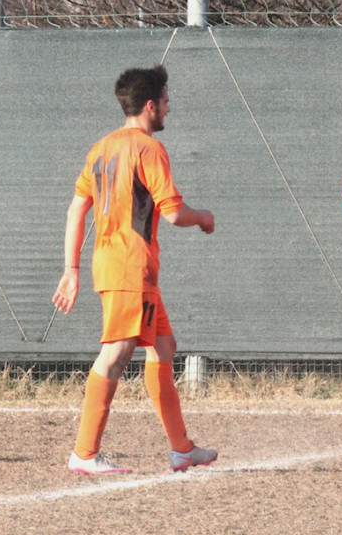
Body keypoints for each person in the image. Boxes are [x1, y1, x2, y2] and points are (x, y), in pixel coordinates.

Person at [52, 65, 218, 475]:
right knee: (116, 354)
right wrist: (204, 217)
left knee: (164, 347)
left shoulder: (101, 148)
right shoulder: (148, 149)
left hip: (119, 263)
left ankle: (182, 448)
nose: (168, 107)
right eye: (165, 101)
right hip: (130, 267)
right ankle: (85, 453)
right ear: (150, 105)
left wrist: (72, 268)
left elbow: (77, 208)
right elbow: (175, 213)